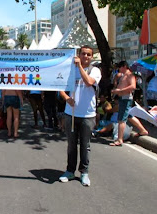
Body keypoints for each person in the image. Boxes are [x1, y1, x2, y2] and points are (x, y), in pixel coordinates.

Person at [59, 45, 101, 187]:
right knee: (71, 145)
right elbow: (60, 88)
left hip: (88, 114)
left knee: (85, 145)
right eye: (83, 54)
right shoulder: (70, 70)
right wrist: (67, 99)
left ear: (92, 57)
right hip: (71, 113)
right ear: (79, 54)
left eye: (89, 54)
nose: (86, 57)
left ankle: (84, 172)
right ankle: (70, 171)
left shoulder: (95, 70)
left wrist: (79, 67)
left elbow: (89, 82)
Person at [111, 61, 148, 147]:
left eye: (120, 67)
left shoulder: (130, 75)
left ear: (124, 66)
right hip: (122, 98)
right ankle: (143, 130)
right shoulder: (123, 75)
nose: (119, 70)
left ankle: (120, 139)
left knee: (121, 119)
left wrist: (119, 91)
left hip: (126, 98)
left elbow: (133, 86)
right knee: (128, 116)